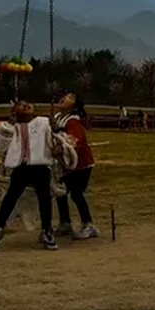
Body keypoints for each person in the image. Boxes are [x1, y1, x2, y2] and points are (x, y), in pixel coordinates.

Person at [0, 99, 58, 252]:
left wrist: (56, 130)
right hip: (20, 168)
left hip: (41, 166)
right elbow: (1, 146)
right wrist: (9, 126)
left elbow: (55, 141)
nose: (26, 105)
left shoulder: (44, 123)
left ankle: (47, 230)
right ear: (15, 112)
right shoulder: (11, 127)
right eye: (21, 105)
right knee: (10, 198)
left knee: (44, 198)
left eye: (28, 104)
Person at [52, 94, 99, 239]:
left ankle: (89, 225)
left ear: (74, 106)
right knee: (60, 192)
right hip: (66, 165)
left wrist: (61, 147)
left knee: (76, 193)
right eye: (64, 96)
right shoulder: (59, 118)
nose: (64, 98)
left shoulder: (72, 122)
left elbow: (74, 142)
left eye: (69, 97)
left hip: (81, 165)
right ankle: (65, 223)